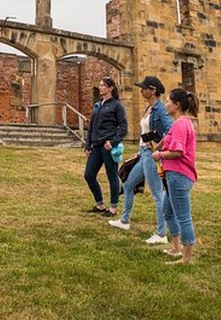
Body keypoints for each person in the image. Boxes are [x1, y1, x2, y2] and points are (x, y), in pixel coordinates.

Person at [108, 76, 173, 245]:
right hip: (143, 153)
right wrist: (139, 152)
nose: (141, 90)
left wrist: (158, 146)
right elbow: (145, 134)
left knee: (158, 194)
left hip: (151, 156)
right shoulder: (149, 108)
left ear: (152, 90)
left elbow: (171, 130)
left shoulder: (160, 110)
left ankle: (161, 234)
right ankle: (124, 221)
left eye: (144, 88)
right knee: (128, 184)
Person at [152, 88, 199, 264]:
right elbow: (169, 138)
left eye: (168, 101)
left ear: (177, 105)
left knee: (183, 216)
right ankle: (176, 247)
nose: (166, 104)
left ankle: (186, 258)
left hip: (179, 175)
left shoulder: (181, 124)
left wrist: (160, 155)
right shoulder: (180, 123)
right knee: (167, 211)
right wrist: (158, 145)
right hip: (174, 175)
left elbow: (178, 151)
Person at [83, 76, 128, 218]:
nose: (100, 87)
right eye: (100, 85)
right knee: (89, 175)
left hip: (108, 146)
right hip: (95, 146)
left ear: (110, 88)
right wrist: (87, 144)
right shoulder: (97, 105)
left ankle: (113, 207)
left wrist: (113, 141)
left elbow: (123, 126)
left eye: (103, 85)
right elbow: (91, 126)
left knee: (112, 176)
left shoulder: (116, 105)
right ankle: (100, 204)